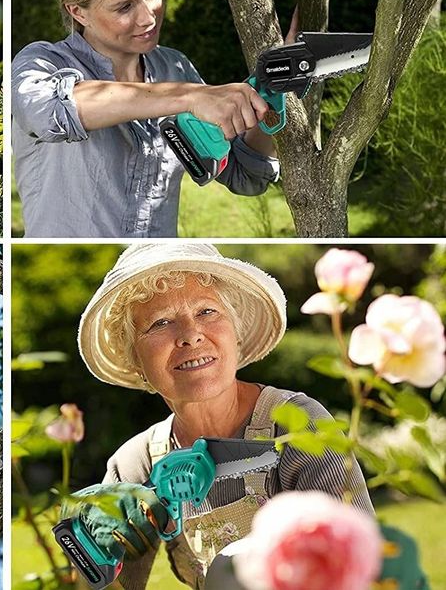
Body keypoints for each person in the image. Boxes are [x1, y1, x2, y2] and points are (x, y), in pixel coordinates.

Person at [66, 243, 374, 589]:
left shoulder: (295, 423)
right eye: (160, 322)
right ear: (135, 359)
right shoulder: (136, 463)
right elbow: (107, 584)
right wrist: (92, 555)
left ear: (236, 332)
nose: (190, 335)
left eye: (207, 311)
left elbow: (361, 563)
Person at [11, 0, 280, 238]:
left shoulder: (173, 67)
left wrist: (272, 96)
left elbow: (245, 175)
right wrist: (188, 97)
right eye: (124, 7)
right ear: (77, 12)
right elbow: (45, 112)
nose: (148, 16)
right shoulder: (42, 63)